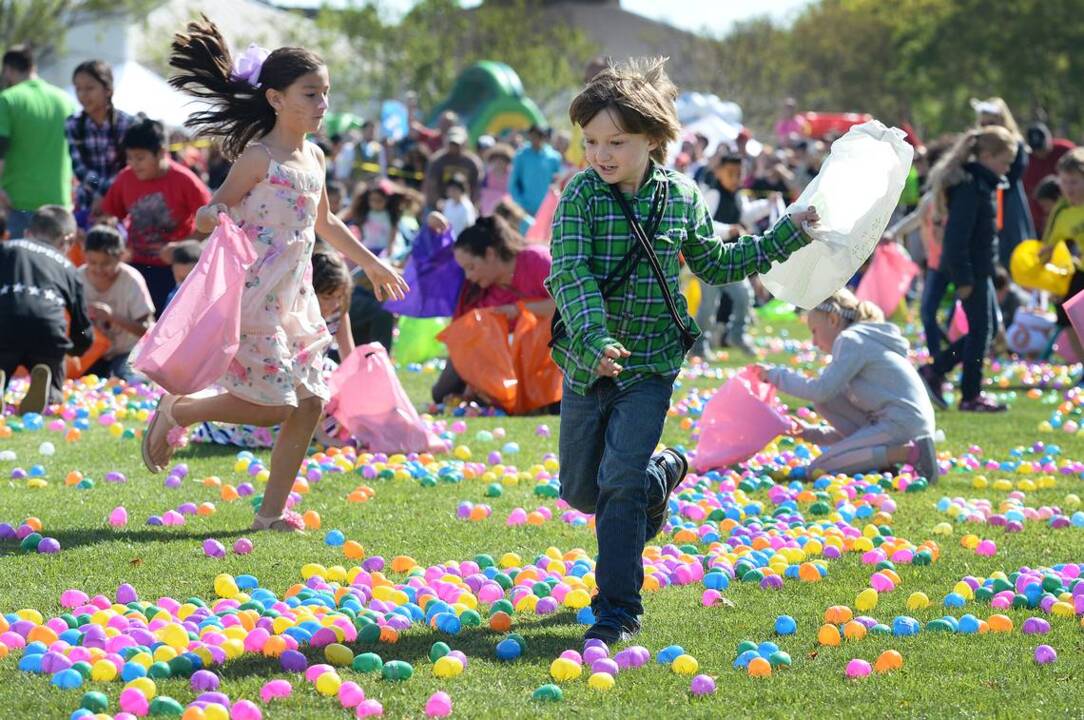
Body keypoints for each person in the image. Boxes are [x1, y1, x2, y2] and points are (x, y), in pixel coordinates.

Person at [547, 58, 818, 644]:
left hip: (652, 364)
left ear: (653, 138)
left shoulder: (682, 197)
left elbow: (716, 263)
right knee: (582, 490)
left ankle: (617, 607)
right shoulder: (580, 198)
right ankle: (661, 473)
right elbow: (570, 274)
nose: (601, 154)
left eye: (616, 141)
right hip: (587, 362)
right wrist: (593, 338)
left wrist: (784, 235)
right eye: (591, 141)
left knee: (616, 480)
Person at [141, 18, 407, 533]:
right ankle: (180, 411)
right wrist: (214, 217)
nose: (322, 104)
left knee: (309, 403)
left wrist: (371, 263)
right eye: (311, 93)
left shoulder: (316, 156)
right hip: (255, 293)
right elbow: (208, 211)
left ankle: (270, 514)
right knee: (272, 407)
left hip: (295, 295)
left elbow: (325, 222)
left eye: (326, 93)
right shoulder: (259, 158)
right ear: (276, 98)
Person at [753, 290, 937, 481]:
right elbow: (859, 433)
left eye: (814, 331)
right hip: (906, 422)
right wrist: (810, 433)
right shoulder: (863, 339)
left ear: (833, 319)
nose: (814, 342)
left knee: (819, 467)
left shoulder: (850, 339)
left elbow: (821, 390)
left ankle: (908, 453)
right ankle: (886, 457)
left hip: (901, 423)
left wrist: (774, 375)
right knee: (829, 399)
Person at [918, 126, 1018, 413]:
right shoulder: (971, 187)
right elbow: (955, 240)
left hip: (982, 269)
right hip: (971, 273)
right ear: (986, 156)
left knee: (985, 330)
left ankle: (936, 371)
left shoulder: (984, 184)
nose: (1006, 168)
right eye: (1004, 162)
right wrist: (964, 279)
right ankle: (970, 394)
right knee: (980, 332)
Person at [430, 214, 554, 404]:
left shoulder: (537, 261)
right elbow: (472, 343)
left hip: (546, 357)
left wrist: (520, 310)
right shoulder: (478, 289)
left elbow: (568, 305)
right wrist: (472, 385)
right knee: (442, 393)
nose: (468, 276)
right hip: (501, 363)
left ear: (490, 254)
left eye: (471, 267)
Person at [100, 116, 213, 313]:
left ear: (161, 152)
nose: (134, 164)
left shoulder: (186, 181)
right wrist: (115, 237)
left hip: (174, 270)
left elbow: (212, 222)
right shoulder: (125, 178)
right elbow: (109, 216)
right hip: (135, 266)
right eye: (130, 158)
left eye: (140, 158)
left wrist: (181, 246)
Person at [0, 206, 90, 413]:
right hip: (48, 331)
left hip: (5, 325)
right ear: (67, 241)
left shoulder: (6, 248)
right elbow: (81, 322)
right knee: (50, 367)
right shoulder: (68, 268)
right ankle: (50, 394)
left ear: (27, 233)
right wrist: (77, 348)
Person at [694, 153, 775, 357]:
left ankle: (736, 334)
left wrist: (767, 205)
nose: (736, 178)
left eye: (740, 174)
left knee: (744, 296)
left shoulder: (738, 195)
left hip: (730, 259)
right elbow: (703, 224)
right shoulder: (713, 194)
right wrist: (728, 230)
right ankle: (699, 346)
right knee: (709, 306)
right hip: (709, 260)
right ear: (719, 172)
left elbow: (745, 214)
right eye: (731, 173)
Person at [0, 45, 76, 238]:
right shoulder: (65, 100)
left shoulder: (8, 100)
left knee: (21, 266)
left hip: (19, 203)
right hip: (60, 203)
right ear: (33, 66)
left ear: (8, 70)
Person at [78, 225, 154, 381]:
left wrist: (112, 317)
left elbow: (147, 331)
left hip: (126, 352)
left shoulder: (131, 279)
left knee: (129, 379)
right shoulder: (77, 278)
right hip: (91, 352)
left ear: (120, 256)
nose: (98, 269)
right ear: (84, 254)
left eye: (106, 263)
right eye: (92, 262)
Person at [65, 60, 136, 227]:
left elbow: (128, 167)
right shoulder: (73, 124)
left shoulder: (127, 124)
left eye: (89, 88)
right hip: (87, 206)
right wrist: (100, 191)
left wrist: (106, 196)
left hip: (123, 207)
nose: (83, 95)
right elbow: (80, 169)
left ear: (108, 90)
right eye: (78, 89)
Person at [972, 97, 1034, 267]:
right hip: (984, 199)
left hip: (1008, 199)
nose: (987, 127)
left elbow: (1012, 177)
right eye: (983, 123)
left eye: (991, 122)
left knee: (1013, 247)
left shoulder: (1016, 143)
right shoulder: (976, 145)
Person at [1041, 148, 1084, 362]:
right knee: (1070, 322)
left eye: (1074, 182)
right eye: (1064, 182)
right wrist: (1049, 281)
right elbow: (1048, 247)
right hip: (1076, 273)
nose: (1069, 188)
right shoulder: (1062, 211)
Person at [1022, 122, 1075, 232]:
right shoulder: (1027, 160)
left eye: (1042, 147)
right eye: (1035, 149)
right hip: (1039, 220)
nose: (1040, 153)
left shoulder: (1065, 150)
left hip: (1068, 211)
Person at [422, 125, 482, 210]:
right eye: (452, 143)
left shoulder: (473, 163)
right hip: (438, 206)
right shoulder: (437, 161)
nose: (454, 147)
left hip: (463, 207)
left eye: (457, 144)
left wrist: (469, 205)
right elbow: (431, 186)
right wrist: (438, 203)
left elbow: (476, 187)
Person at [510, 125, 562, 216]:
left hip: (547, 209)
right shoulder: (521, 155)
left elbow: (557, 182)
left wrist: (554, 202)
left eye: (538, 136)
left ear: (544, 137)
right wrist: (519, 202)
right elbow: (513, 182)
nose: (535, 140)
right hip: (525, 208)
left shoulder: (554, 157)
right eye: (532, 136)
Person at [479, 143, 514, 216]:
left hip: (505, 206)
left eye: (502, 160)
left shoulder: (511, 174)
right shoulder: (488, 173)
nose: (499, 163)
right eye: (496, 160)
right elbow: (482, 189)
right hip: (487, 205)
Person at [164, 239, 202, 307]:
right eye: (182, 280)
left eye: (189, 279)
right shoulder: (173, 296)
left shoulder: (205, 297)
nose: (183, 286)